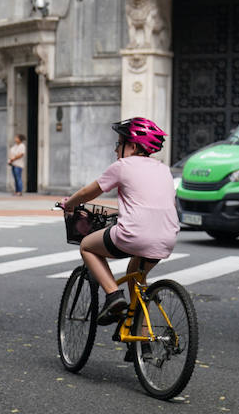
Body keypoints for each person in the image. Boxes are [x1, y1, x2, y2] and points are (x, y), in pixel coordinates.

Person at [56, 117, 180, 323]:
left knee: (87, 246)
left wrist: (69, 204)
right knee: (136, 276)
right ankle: (140, 341)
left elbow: (89, 192)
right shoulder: (163, 169)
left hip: (134, 235)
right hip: (166, 238)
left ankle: (113, 296)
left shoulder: (123, 166)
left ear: (131, 146)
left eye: (118, 144)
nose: (116, 150)